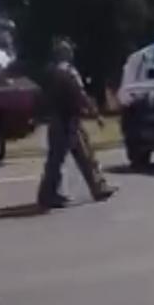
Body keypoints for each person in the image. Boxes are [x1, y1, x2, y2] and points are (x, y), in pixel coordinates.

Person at [37, 38, 118, 209]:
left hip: (58, 120)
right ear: (65, 54)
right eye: (69, 51)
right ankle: (48, 195)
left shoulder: (50, 72)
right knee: (75, 157)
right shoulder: (68, 72)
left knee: (70, 158)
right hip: (67, 122)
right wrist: (96, 114)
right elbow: (80, 94)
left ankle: (97, 188)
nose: (72, 53)